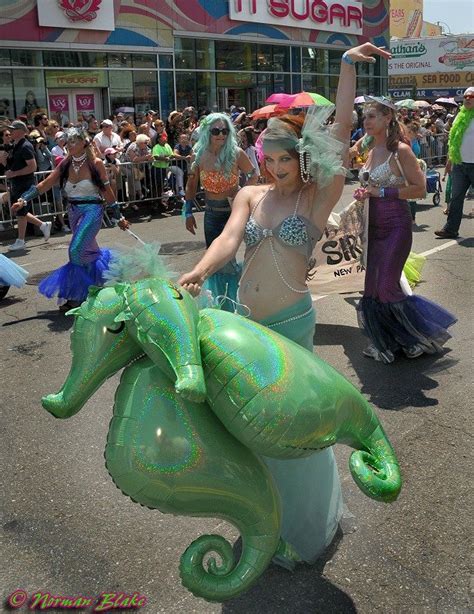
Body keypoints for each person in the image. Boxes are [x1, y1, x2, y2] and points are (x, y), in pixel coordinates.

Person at [179, 43, 391, 568]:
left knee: (290, 428)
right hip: (246, 324)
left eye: (284, 159)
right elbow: (229, 239)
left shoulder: (317, 196)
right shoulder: (250, 194)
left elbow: (339, 135)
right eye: (268, 159)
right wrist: (201, 270)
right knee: (251, 427)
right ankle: (261, 517)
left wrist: (344, 68)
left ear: (302, 158)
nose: (275, 168)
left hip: (291, 325)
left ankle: (301, 525)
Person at [355, 97, 456, 364]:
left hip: (396, 226)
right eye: (365, 117)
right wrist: (364, 193)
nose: (366, 121)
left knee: (388, 285)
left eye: (372, 116)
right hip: (373, 228)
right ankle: (390, 341)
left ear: (388, 118)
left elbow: (420, 189)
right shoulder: (372, 151)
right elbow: (370, 186)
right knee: (373, 288)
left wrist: (381, 191)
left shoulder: (400, 150)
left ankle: (414, 337)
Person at [11, 128, 128, 310]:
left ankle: (79, 295)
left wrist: (118, 216)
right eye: (68, 141)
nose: (69, 145)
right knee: (87, 251)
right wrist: (24, 198)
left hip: (92, 210)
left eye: (73, 141)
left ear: (84, 143)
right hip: (73, 212)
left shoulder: (95, 164)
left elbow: (107, 192)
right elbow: (45, 183)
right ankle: (98, 286)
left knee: (75, 250)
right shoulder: (66, 164)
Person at [182, 112, 257, 310]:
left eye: (224, 131)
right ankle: (219, 304)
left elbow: (254, 174)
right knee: (213, 260)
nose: (221, 135)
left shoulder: (236, 153)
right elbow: (191, 185)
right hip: (212, 214)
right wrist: (188, 212)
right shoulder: (197, 155)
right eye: (216, 131)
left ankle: (231, 305)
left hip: (233, 214)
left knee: (227, 259)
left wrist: (243, 197)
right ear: (208, 131)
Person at [4, 120, 51, 251]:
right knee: (20, 211)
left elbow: (32, 166)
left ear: (21, 131)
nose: (10, 132)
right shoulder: (15, 146)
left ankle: (21, 241)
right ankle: (43, 225)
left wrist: (14, 173)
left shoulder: (25, 146)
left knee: (20, 212)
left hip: (25, 183)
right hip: (17, 183)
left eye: (13, 129)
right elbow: (7, 164)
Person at [435, 87, 474, 239]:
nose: (468, 99)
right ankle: (450, 229)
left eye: (471, 96)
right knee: (456, 198)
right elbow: (453, 141)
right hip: (460, 164)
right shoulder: (459, 116)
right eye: (466, 96)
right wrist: (449, 161)